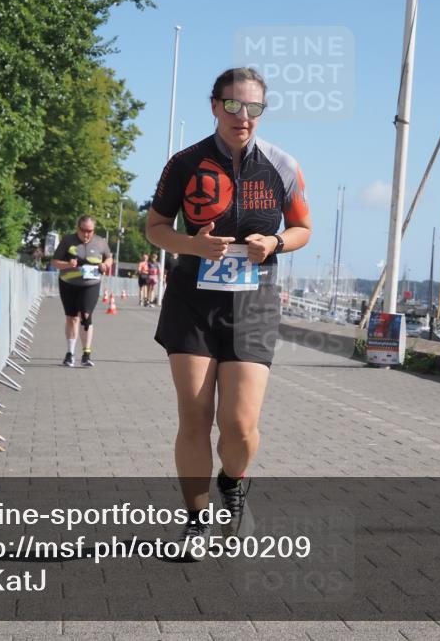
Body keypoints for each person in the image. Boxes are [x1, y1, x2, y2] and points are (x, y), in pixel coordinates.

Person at [146, 67, 311, 555]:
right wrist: (191, 245)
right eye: (234, 106)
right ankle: (196, 520)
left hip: (254, 301)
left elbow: (303, 228)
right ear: (215, 105)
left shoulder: (282, 165)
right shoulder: (185, 162)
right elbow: (155, 228)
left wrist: (276, 241)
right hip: (192, 301)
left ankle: (233, 482)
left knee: (239, 425)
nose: (244, 117)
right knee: (195, 417)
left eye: (254, 108)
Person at [50, 216, 113, 367]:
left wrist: (105, 264)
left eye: (89, 231)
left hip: (90, 284)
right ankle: (70, 354)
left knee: (85, 315)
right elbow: (54, 262)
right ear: (78, 228)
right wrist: (68, 264)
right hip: (69, 283)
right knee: (72, 318)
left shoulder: (100, 242)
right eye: (83, 230)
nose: (86, 234)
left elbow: (109, 258)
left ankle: (86, 354)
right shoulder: (67, 241)